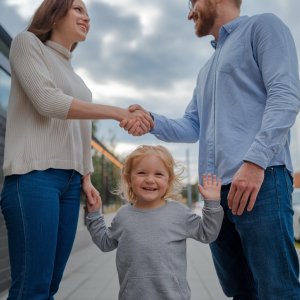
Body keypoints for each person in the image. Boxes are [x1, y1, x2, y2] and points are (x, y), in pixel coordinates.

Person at [121, 0, 300, 299]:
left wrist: (255, 163)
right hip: (217, 196)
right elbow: (192, 126)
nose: (189, 12)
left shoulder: (263, 27)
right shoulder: (205, 71)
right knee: (239, 291)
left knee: (277, 291)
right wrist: (151, 120)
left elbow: (285, 95)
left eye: (192, 3)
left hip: (262, 182)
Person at [0, 0, 153, 299]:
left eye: (88, 13)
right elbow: (48, 101)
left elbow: (80, 131)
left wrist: (86, 176)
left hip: (70, 184)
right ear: (54, 12)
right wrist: (118, 112)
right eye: (78, 9)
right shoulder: (26, 43)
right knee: (32, 287)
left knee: (51, 285)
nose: (87, 18)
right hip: (34, 178)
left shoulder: (76, 76)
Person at [85, 145, 224, 300]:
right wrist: (94, 214)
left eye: (159, 174)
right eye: (141, 173)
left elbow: (208, 234)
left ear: (168, 180)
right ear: (129, 178)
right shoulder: (123, 215)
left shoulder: (179, 213)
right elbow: (105, 243)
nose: (150, 180)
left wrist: (212, 204)